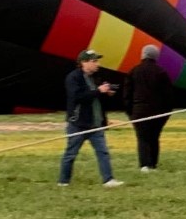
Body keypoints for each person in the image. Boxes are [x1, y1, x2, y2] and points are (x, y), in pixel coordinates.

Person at [58, 50, 122, 188]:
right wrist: (99, 91)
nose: (97, 64)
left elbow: (94, 96)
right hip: (79, 124)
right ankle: (63, 182)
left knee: (103, 152)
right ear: (83, 63)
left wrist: (106, 93)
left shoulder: (95, 78)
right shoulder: (73, 78)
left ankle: (108, 179)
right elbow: (77, 97)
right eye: (94, 61)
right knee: (70, 154)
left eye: (97, 61)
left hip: (95, 124)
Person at [128, 44, 174, 173]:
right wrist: (166, 114)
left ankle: (144, 165)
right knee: (154, 137)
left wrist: (130, 113)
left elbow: (127, 95)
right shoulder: (161, 72)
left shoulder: (134, 71)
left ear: (142, 55)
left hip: (139, 111)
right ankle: (153, 164)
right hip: (157, 112)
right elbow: (169, 96)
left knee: (142, 138)